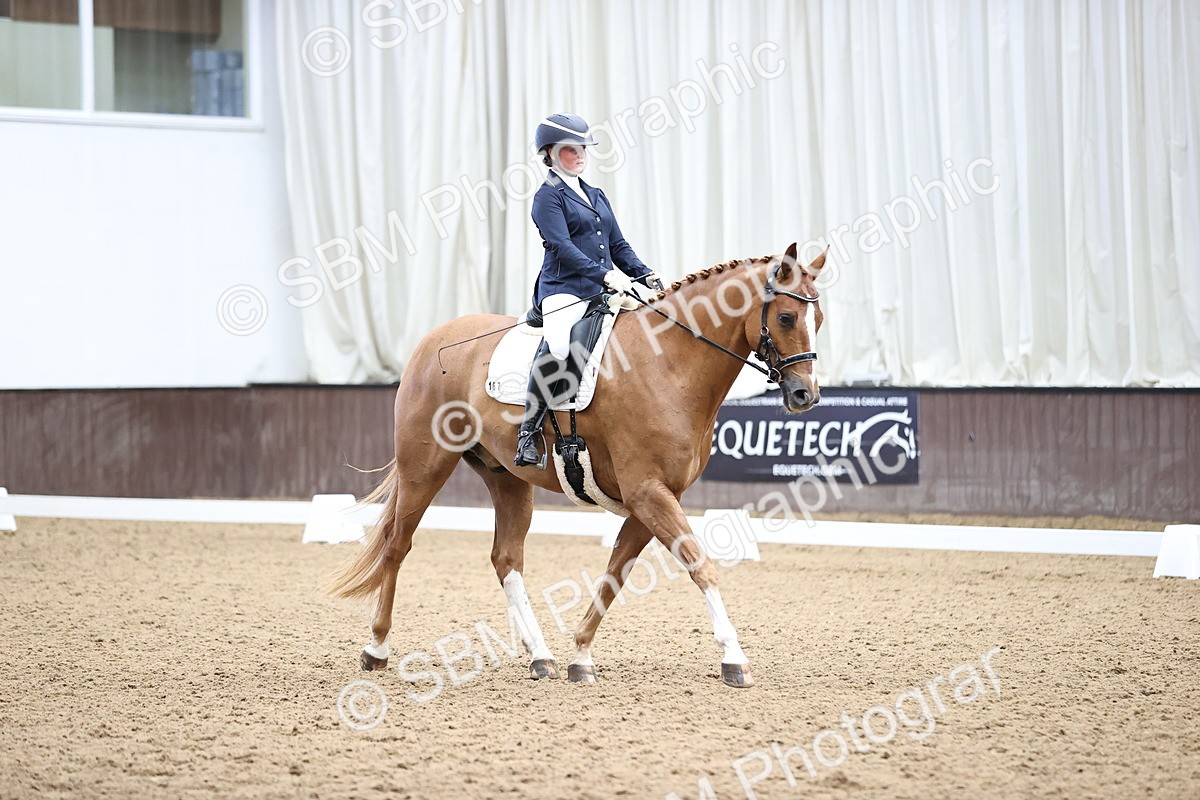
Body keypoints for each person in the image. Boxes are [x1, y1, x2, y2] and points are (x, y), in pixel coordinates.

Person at [514, 112, 664, 468]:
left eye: (583, 148)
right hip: (563, 288)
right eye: (570, 149)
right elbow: (562, 246)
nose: (580, 154)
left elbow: (618, 245)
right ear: (549, 154)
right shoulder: (547, 197)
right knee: (561, 342)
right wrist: (606, 276)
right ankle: (528, 432)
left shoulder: (596, 194)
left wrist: (646, 275)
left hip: (600, 288)